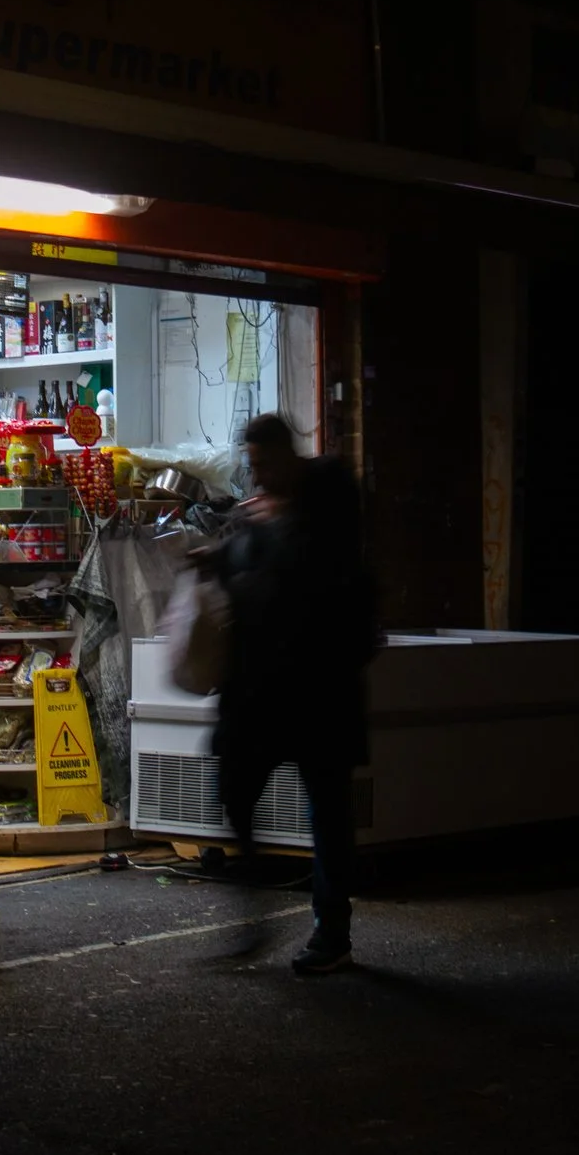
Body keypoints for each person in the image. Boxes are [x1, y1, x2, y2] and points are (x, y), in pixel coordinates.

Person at [208, 413, 378, 975]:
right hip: (261, 689)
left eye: (264, 466)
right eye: (251, 468)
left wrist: (261, 527)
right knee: (235, 788)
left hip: (318, 686)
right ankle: (258, 910)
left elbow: (315, 569)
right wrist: (222, 555)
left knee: (328, 810)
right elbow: (253, 579)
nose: (257, 480)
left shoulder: (327, 489)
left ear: (287, 455)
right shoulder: (263, 515)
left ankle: (332, 934)